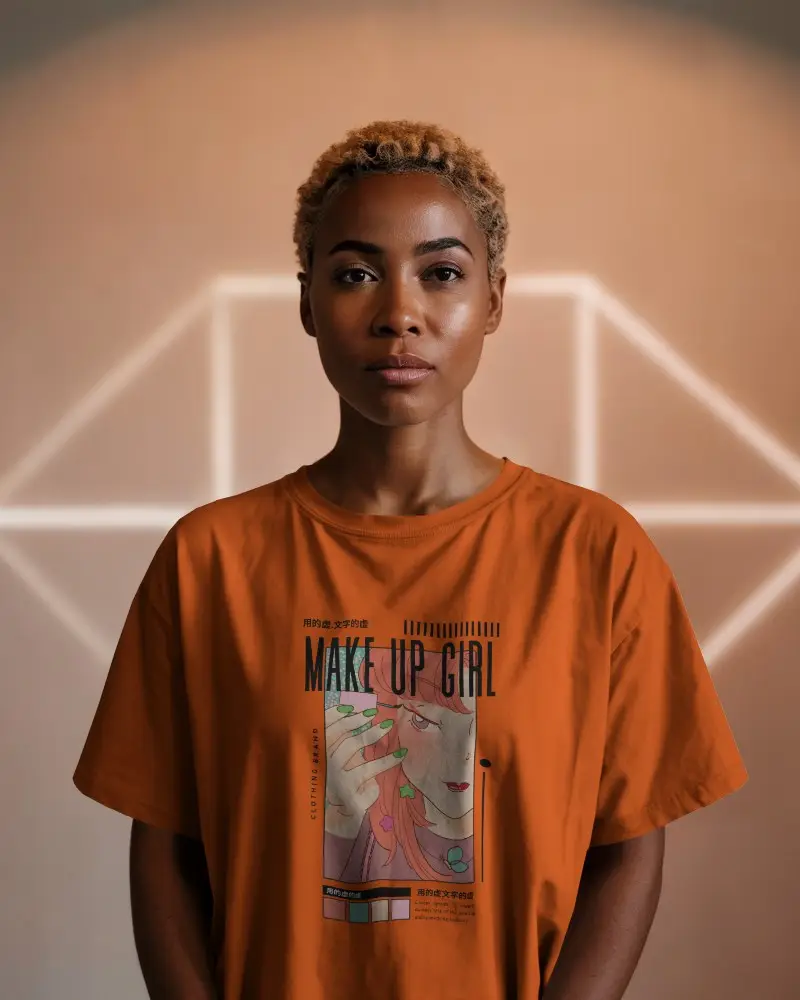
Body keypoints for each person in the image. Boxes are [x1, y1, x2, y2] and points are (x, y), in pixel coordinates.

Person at [74, 119, 748, 1000]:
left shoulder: (595, 555)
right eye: (356, 274)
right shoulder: (211, 561)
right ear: (308, 302)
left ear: (494, 300)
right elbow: (164, 845)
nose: (400, 312)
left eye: (442, 273)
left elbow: (626, 847)